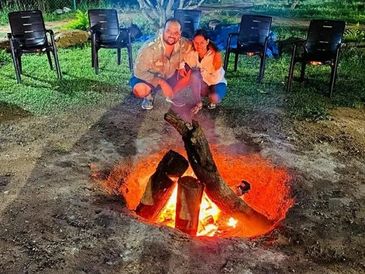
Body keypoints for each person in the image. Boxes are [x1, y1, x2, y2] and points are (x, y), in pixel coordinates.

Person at [130, 18, 192, 110]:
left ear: (180, 33)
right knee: (140, 90)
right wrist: (160, 82)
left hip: (169, 75)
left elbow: (199, 46)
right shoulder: (149, 48)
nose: (172, 35)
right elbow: (138, 72)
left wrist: (182, 65)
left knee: (191, 72)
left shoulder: (184, 43)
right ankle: (148, 97)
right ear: (163, 30)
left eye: (176, 33)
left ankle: (172, 95)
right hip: (150, 77)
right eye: (168, 31)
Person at [185, 29, 227, 114]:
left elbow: (215, 79)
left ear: (207, 42)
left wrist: (202, 72)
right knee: (194, 74)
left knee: (214, 97)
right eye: (196, 43)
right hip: (203, 84)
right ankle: (198, 102)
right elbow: (184, 61)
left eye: (202, 43)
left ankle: (212, 98)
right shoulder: (192, 53)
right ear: (193, 42)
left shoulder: (215, 56)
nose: (199, 46)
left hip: (217, 82)